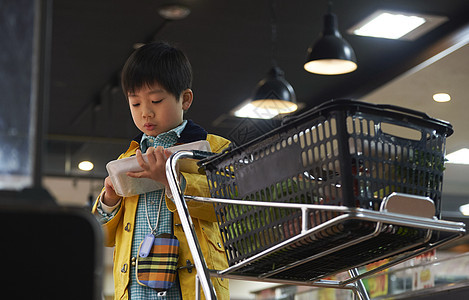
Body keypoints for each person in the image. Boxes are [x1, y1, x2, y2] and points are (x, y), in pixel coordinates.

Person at [92, 41, 231, 300]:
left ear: (185, 99)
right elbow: (104, 236)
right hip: (134, 289)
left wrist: (173, 181)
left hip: (192, 287)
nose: (146, 112)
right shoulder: (125, 160)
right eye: (135, 104)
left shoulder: (213, 149)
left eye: (156, 100)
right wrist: (109, 200)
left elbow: (229, 206)